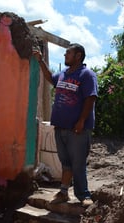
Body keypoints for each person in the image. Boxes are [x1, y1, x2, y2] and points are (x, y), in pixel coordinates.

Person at [33, 43, 97, 207]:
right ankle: (63, 192)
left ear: (78, 56)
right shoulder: (63, 74)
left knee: (78, 163)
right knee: (65, 163)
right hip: (60, 127)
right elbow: (50, 78)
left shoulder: (86, 75)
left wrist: (82, 120)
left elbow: (91, 98)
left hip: (77, 129)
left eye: (68, 53)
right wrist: (41, 61)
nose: (64, 55)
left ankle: (84, 195)